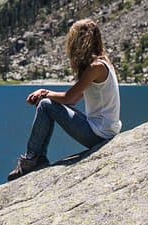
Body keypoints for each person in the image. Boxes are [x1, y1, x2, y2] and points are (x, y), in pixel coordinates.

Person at [8, 19, 122, 181]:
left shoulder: (95, 67)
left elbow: (70, 98)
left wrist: (44, 93)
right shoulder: (103, 62)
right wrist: (45, 93)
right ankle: (37, 158)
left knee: (46, 105)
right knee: (48, 103)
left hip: (99, 134)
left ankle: (31, 159)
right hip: (105, 129)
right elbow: (73, 99)